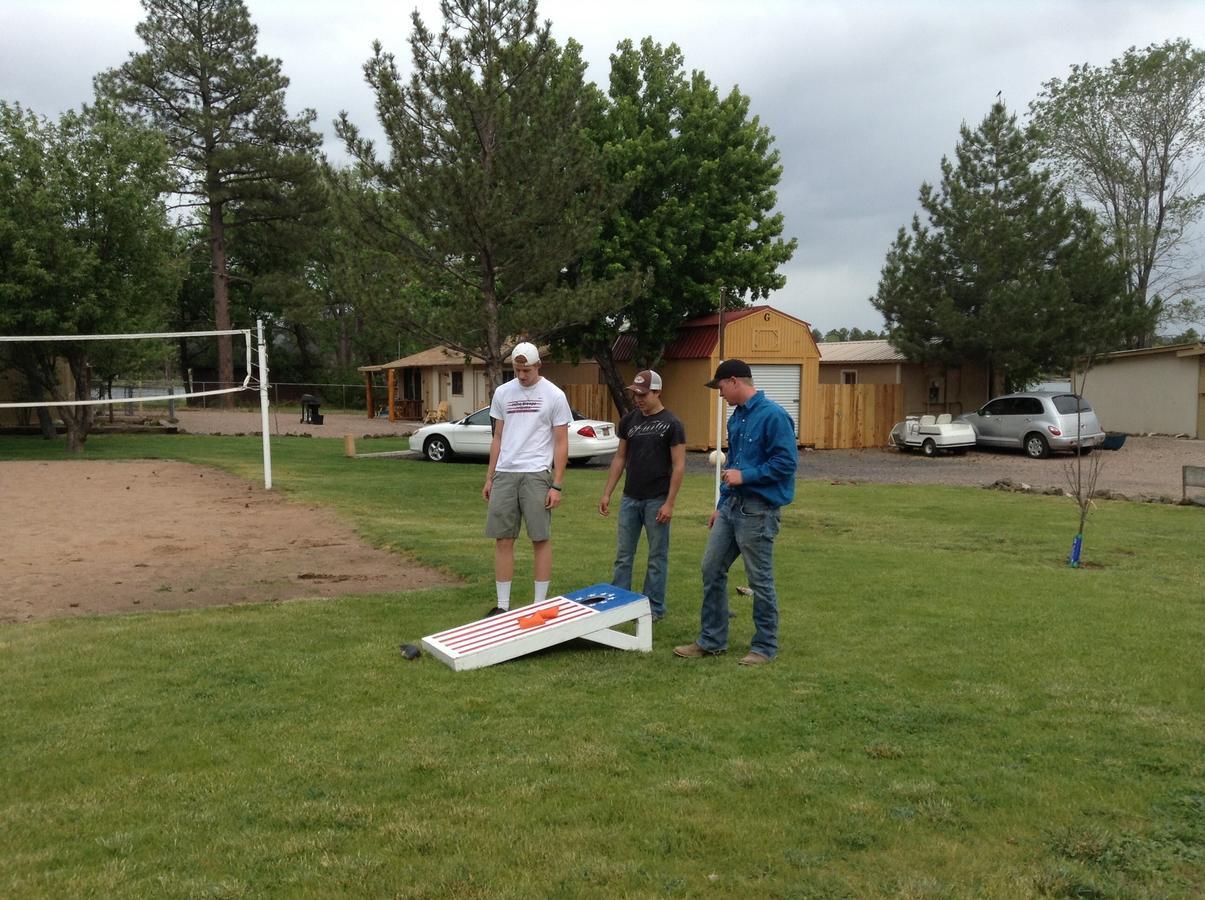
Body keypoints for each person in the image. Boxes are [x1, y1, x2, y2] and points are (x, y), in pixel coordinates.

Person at [674, 359, 797, 666]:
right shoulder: (737, 418)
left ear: (733, 381)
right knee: (711, 567)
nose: (719, 395)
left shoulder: (774, 416)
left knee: (760, 579)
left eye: (720, 388)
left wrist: (748, 476)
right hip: (731, 508)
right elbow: (733, 466)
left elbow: (786, 464)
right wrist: (720, 505)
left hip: (759, 510)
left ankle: (764, 646)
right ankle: (712, 640)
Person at [482, 342, 572, 616]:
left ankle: (539, 605)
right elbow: (497, 437)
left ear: (538, 366)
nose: (522, 375)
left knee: (539, 538)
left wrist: (556, 483)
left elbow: (561, 443)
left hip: (536, 473)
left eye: (527, 370)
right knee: (503, 538)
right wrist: (490, 478)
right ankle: (502, 605)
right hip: (506, 473)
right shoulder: (503, 392)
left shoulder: (554, 395)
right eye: (518, 370)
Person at [598, 370, 686, 621]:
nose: (638, 398)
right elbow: (620, 457)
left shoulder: (672, 423)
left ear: (657, 392)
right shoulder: (629, 421)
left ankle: (654, 608)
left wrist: (669, 503)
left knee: (657, 557)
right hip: (630, 498)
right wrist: (607, 493)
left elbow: (679, 465)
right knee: (623, 556)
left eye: (643, 394)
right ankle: (619, 605)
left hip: (657, 499)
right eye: (635, 394)